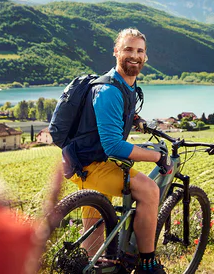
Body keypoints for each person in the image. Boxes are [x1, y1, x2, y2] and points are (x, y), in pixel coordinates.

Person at [63, 28, 171, 274]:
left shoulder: (123, 85)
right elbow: (113, 145)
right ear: (116, 52)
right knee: (150, 189)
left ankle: (93, 266)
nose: (134, 55)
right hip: (93, 164)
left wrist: (134, 119)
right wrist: (158, 156)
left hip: (83, 161)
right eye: (128, 49)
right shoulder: (110, 90)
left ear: (145, 56)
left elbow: (107, 117)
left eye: (139, 51)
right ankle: (147, 264)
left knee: (95, 227)